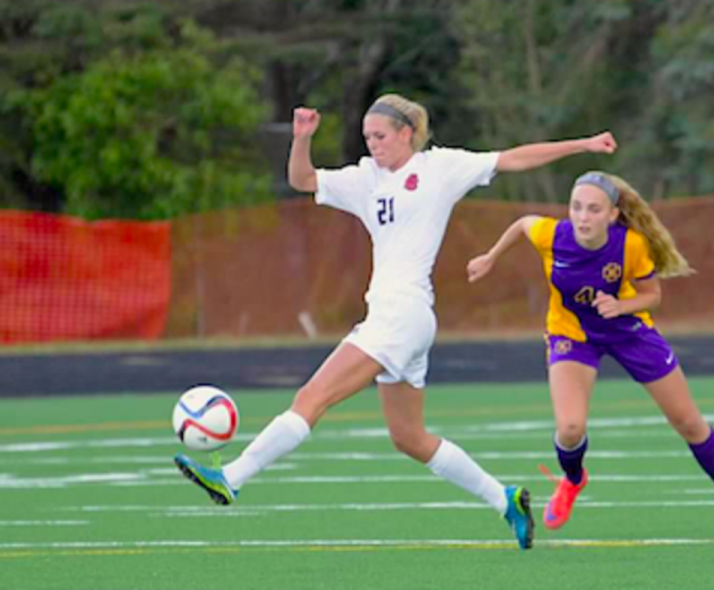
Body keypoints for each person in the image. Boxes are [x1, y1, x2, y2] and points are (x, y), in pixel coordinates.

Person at [173, 94, 619, 550]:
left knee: (312, 397)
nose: (373, 145)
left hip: (402, 315)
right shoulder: (365, 178)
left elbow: (515, 158)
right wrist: (302, 139)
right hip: (397, 316)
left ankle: (231, 477)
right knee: (408, 437)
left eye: (381, 136)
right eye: (367, 138)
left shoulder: (440, 168)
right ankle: (505, 500)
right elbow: (302, 178)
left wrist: (581, 145)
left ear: (407, 133)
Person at [466, 171, 714, 533]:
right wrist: (491, 257)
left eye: (593, 209)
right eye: (576, 207)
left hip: (629, 333)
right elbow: (524, 224)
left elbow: (653, 295)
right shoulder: (553, 235)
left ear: (612, 215)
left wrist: (620, 305)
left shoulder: (630, 245)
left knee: (688, 422)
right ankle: (572, 480)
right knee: (570, 429)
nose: (583, 217)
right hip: (571, 333)